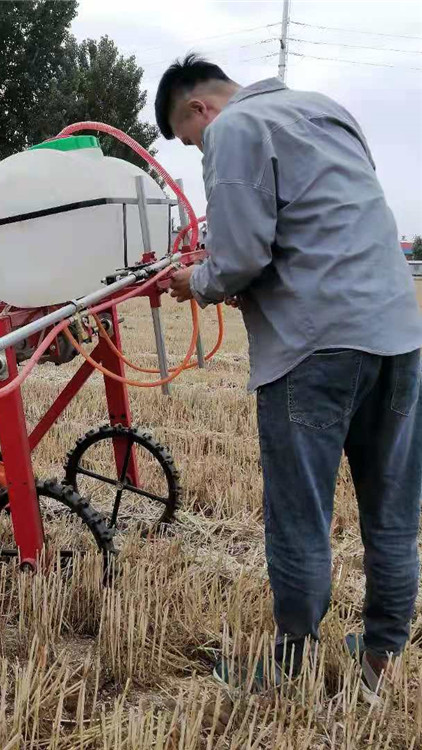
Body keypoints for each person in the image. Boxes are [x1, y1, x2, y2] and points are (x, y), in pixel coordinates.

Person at [156, 53, 422, 702]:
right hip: (398, 337)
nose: (200, 149)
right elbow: (322, 222)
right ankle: (381, 659)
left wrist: (196, 280)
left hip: (313, 349)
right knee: (392, 516)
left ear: (199, 109)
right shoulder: (328, 111)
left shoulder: (232, 129)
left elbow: (242, 255)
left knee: (299, 515)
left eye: (190, 141)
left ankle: (290, 667)